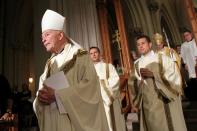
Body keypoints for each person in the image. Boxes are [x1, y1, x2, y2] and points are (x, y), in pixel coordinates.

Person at [33, 9, 108, 131]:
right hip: (52, 122)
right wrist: (40, 98)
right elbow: (41, 92)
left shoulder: (80, 56)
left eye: (47, 34)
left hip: (72, 124)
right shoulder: (49, 64)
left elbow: (90, 89)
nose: (43, 39)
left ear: (61, 35)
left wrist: (58, 95)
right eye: (42, 36)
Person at [129, 34, 187, 131]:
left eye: (143, 43)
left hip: (163, 99)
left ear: (150, 44)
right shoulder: (137, 64)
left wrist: (154, 75)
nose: (141, 46)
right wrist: (140, 82)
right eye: (138, 45)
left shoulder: (162, 58)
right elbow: (132, 83)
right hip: (147, 102)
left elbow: (173, 75)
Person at [89, 47, 126, 131]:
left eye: (95, 52)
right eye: (91, 53)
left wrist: (102, 87)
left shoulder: (108, 66)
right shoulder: (88, 70)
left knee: (113, 122)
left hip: (109, 99)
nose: (93, 55)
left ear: (99, 54)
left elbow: (115, 80)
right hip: (95, 100)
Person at [180, 29, 197, 100]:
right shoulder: (183, 45)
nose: (186, 37)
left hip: (196, 63)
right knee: (193, 80)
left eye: (187, 35)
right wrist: (185, 64)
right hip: (190, 65)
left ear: (191, 34)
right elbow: (183, 56)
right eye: (184, 36)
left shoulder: (195, 41)